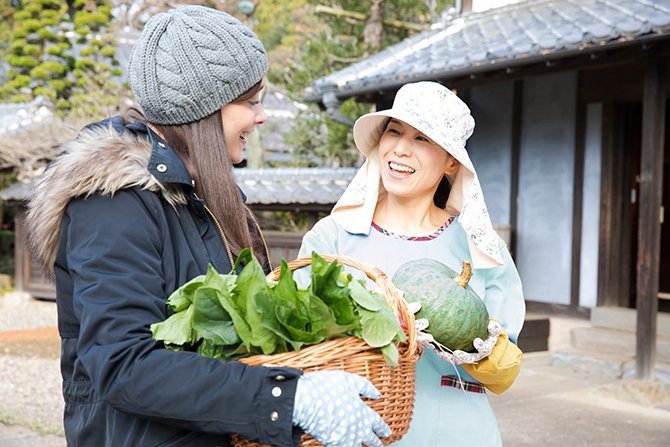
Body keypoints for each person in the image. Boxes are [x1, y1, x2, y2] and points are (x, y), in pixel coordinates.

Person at [27, 6, 390, 447]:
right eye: (251, 101)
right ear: (205, 107)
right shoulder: (114, 202)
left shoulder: (204, 193)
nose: (262, 117)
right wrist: (286, 398)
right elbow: (125, 365)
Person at [297, 81, 526, 446]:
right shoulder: (332, 238)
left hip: (459, 433)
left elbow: (505, 374)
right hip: (358, 432)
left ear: (452, 161)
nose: (401, 149)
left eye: (422, 139)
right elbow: (300, 341)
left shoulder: (481, 248)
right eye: (394, 131)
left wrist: (475, 347)